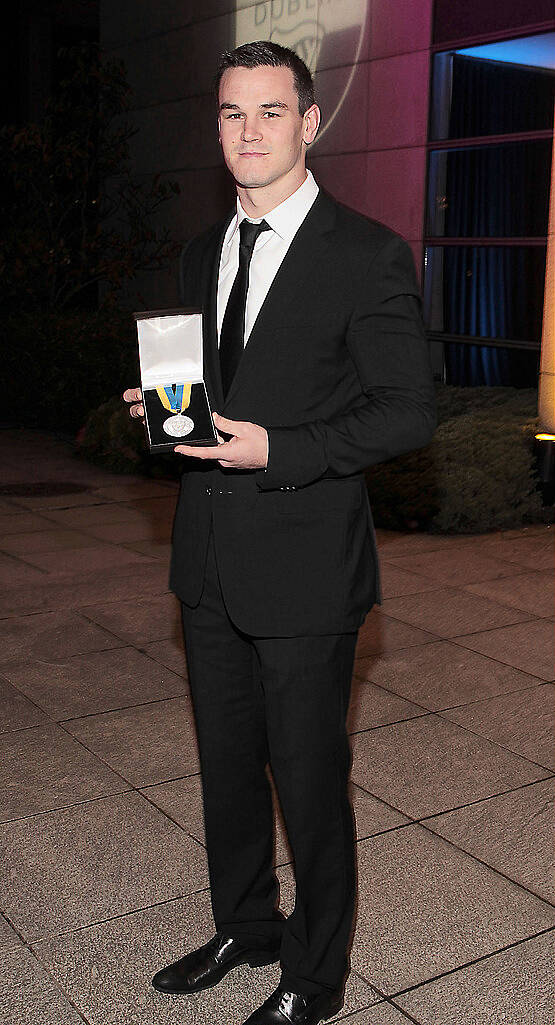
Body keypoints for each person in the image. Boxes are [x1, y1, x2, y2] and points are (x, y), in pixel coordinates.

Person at [124, 40, 436, 1025]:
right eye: (230, 113)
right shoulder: (198, 250)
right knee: (224, 771)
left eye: (268, 112)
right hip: (208, 563)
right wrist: (159, 419)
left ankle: (315, 971)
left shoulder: (366, 252)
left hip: (306, 569)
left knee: (309, 781)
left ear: (310, 123)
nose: (247, 131)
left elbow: (406, 411)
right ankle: (245, 927)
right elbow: (205, 400)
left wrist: (282, 447)